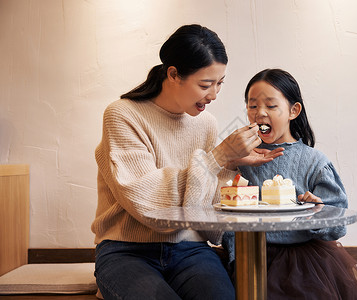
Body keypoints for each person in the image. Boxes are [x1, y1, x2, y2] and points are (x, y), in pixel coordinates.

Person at [91, 25, 283, 300]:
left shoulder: (205, 124)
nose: (214, 95)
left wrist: (228, 165)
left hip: (190, 249)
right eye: (205, 85)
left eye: (219, 83)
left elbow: (206, 219)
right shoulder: (122, 115)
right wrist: (217, 157)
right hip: (126, 249)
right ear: (173, 74)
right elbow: (147, 205)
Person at [222, 68, 357, 300]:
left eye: (271, 106)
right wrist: (229, 159)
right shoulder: (239, 158)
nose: (259, 113)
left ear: (294, 110)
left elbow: (337, 226)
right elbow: (225, 214)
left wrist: (317, 211)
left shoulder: (314, 161)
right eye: (252, 106)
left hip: (303, 264)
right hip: (248, 256)